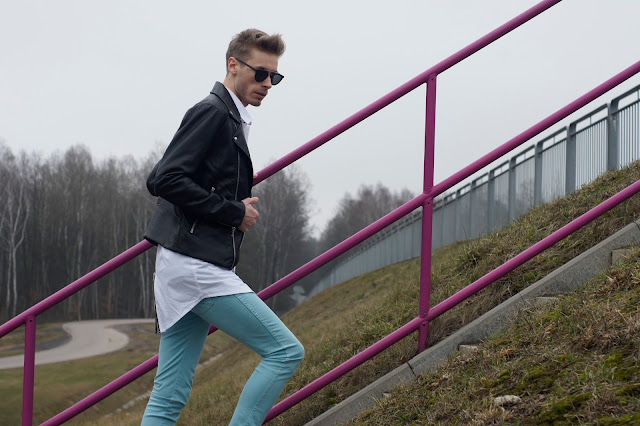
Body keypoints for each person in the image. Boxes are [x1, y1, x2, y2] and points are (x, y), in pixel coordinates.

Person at [141, 29, 304, 425]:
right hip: (197, 266)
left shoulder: (230, 117)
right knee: (285, 352)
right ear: (233, 65)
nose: (267, 84)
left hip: (185, 264)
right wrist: (233, 212)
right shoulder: (213, 112)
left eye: (275, 77)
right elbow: (164, 179)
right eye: (260, 73)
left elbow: (173, 176)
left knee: (169, 396)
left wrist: (229, 203)